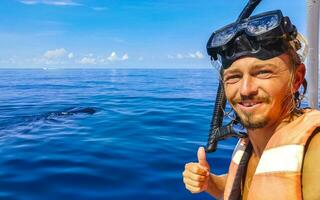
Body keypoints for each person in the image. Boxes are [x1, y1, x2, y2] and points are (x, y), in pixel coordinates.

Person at [182, 7, 320, 200]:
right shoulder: (248, 145)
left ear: (296, 79)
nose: (245, 89)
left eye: (263, 72)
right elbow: (239, 187)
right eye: (234, 77)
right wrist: (210, 183)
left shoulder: (315, 151)